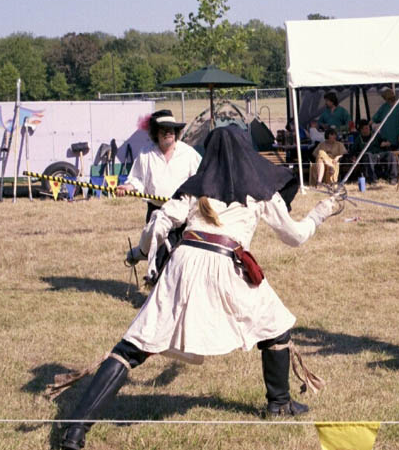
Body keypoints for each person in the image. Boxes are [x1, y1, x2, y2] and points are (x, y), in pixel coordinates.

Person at [57, 124, 340, 450]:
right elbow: (296, 236)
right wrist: (322, 212)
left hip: (183, 264)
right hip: (226, 265)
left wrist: (142, 252)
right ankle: (279, 403)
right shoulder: (260, 191)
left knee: (133, 346)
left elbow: (159, 223)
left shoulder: (193, 187)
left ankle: (74, 431)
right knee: (276, 327)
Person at [116, 109, 202, 222]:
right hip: (155, 211)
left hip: (182, 212)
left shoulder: (189, 153)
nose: (167, 133)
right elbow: (138, 179)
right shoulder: (145, 153)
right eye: (163, 129)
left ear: (176, 132)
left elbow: (199, 179)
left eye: (171, 129)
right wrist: (128, 187)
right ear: (156, 133)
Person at [372, 87, 399, 152]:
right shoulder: (384, 106)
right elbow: (376, 117)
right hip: (385, 137)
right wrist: (367, 124)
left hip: (396, 137)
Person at [351, 119, 382, 183]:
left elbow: (382, 142)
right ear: (361, 130)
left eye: (368, 128)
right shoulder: (358, 139)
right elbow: (353, 150)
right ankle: (372, 178)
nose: (368, 129)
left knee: (390, 154)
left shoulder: (375, 135)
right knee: (368, 155)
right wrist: (354, 157)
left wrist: (385, 143)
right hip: (366, 157)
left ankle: (392, 178)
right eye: (366, 128)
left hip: (377, 155)